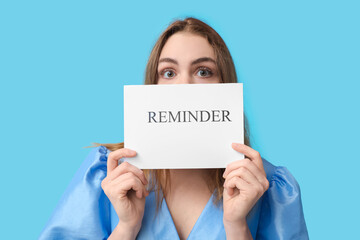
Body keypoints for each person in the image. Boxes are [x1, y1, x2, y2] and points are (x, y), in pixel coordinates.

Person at [39, 17, 309, 240]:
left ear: (225, 83)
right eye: (168, 73)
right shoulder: (106, 174)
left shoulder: (270, 188)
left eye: (203, 71)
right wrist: (126, 228)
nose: (184, 86)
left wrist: (237, 228)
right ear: (152, 85)